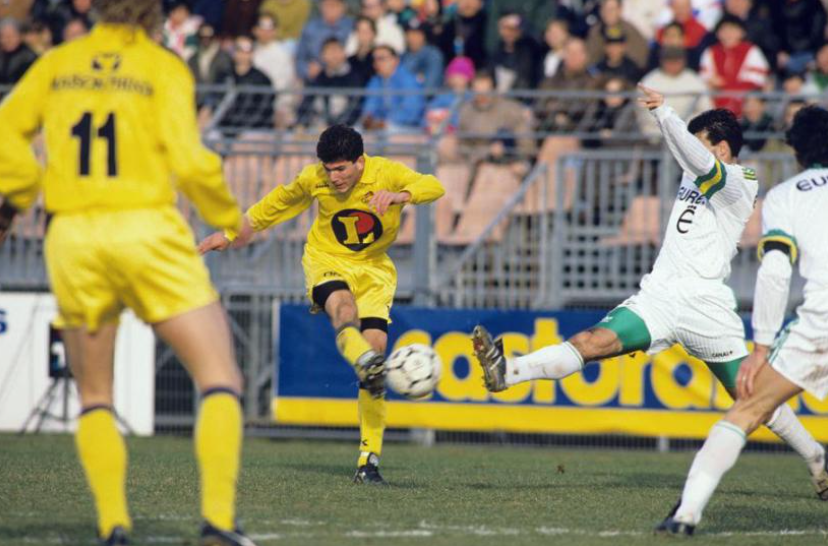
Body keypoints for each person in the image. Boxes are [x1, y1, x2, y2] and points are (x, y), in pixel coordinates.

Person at [471, 85, 826, 509]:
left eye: (701, 144)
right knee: (590, 341)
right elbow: (690, 157)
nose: (692, 153)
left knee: (754, 399)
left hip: (705, 306)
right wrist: (671, 127)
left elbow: (700, 162)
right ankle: (507, 372)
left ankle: (816, 458)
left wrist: (665, 115)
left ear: (722, 149)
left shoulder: (740, 182)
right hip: (658, 296)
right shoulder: (694, 170)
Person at [0, 0, 257, 544]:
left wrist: (17, 196)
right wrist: (229, 217)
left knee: (95, 393)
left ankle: (113, 525)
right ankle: (217, 521)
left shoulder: (57, 63)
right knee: (219, 376)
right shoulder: (162, 66)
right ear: (152, 13)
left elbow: (5, 131)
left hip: (72, 234)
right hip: (147, 228)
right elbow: (190, 161)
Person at [198, 125, 445, 484]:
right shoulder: (313, 178)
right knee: (343, 310)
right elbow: (275, 205)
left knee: (376, 354)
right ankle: (364, 360)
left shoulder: (386, 173)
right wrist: (230, 234)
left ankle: (368, 461)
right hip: (327, 260)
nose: (334, 177)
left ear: (360, 162)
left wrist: (400, 195)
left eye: (341, 169)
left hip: (374, 270)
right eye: (329, 170)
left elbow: (434, 186)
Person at [655, 104, 828, 536]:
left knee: (746, 410)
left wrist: (762, 347)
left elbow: (775, 272)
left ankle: (686, 515)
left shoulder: (786, 195)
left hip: (819, 324)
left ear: (796, 151)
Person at [361, 44, 425, 133]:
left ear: (395, 60)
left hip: (408, 127)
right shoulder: (375, 80)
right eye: (374, 60)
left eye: (381, 59)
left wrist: (385, 123)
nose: (376, 63)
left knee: (388, 132)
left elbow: (411, 111)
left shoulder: (408, 80)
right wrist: (368, 119)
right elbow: (370, 105)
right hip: (381, 126)